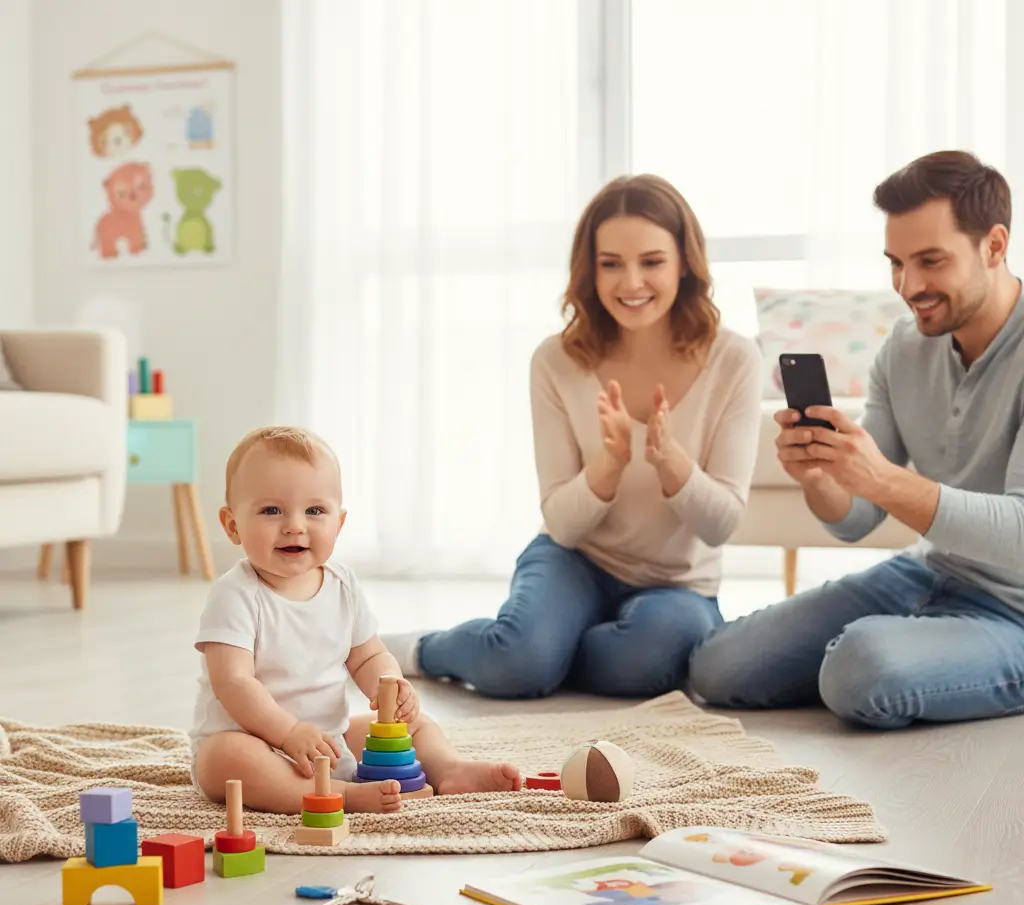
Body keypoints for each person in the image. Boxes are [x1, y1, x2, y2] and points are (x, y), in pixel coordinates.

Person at [383, 174, 763, 700]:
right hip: (576, 559)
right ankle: (428, 648)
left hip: (678, 585)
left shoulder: (734, 360)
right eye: (611, 264)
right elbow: (561, 524)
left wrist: (671, 462)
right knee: (519, 665)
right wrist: (608, 466)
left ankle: (543, 647)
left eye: (651, 261)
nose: (631, 283)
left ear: (685, 263)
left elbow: (720, 526)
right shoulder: (556, 360)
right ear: (590, 270)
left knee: (647, 663)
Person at [688, 149, 1024, 729]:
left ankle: (937, 656)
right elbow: (855, 520)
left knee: (860, 667)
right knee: (718, 666)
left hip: (1015, 611)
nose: (908, 285)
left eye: (930, 261)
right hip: (931, 573)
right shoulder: (904, 347)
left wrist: (884, 478)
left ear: (995, 245)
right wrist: (822, 478)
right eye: (895, 262)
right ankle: (931, 650)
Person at [189, 425, 521, 813]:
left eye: (314, 511)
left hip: (331, 740)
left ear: (339, 524)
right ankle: (338, 797)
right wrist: (289, 733)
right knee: (225, 759)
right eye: (271, 510)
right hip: (257, 743)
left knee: (414, 727)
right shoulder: (235, 594)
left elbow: (367, 656)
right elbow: (233, 682)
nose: (295, 525)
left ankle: (448, 769)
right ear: (232, 526)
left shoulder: (342, 585)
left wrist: (390, 687)